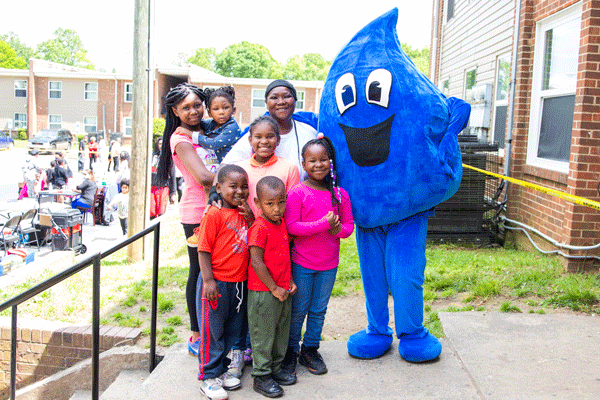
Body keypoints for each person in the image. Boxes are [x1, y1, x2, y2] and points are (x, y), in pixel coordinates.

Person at [281, 135, 354, 378]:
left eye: (324, 159)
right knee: (299, 308)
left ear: (331, 162)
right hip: (302, 263)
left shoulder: (340, 195)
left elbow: (348, 228)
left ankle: (310, 348)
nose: (319, 164)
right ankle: (290, 350)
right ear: (304, 164)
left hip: (328, 264)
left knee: (319, 309)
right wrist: (322, 224)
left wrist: (336, 229)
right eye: (312, 160)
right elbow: (292, 227)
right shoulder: (297, 193)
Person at [155, 83, 216, 358]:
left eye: (197, 105)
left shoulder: (207, 130)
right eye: (186, 107)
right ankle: (197, 333)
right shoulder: (180, 139)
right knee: (200, 272)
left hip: (218, 208)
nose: (193, 111)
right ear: (175, 111)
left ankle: (216, 327)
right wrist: (243, 179)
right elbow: (204, 177)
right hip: (196, 213)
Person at [195, 164, 253, 400]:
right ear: (218, 188)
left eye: (244, 186)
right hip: (216, 284)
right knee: (213, 332)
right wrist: (208, 281)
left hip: (239, 284)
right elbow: (203, 249)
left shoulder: (244, 213)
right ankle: (208, 376)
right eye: (233, 186)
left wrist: (250, 217)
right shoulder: (214, 214)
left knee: (232, 330)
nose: (239, 191)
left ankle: (222, 369)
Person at [247, 176, 298, 398]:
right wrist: (274, 288)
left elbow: (284, 255)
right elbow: (256, 261)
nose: (277, 209)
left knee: (280, 332)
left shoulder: (282, 222)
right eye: (270, 203)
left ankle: (276, 369)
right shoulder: (259, 228)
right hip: (264, 291)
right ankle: (261, 375)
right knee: (263, 334)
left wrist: (289, 282)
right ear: (257, 203)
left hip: (283, 289)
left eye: (281, 202)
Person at [220, 80, 318, 181]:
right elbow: (226, 167)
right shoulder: (255, 135)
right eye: (274, 97)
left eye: (286, 96)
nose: (281, 102)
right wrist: (214, 192)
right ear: (266, 104)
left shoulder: (309, 132)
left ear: (295, 100)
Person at [234, 115, 300, 219]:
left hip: (276, 231)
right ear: (250, 140)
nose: (264, 141)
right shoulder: (240, 169)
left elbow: (292, 207)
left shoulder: (289, 168)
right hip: (244, 230)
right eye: (258, 137)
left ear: (278, 140)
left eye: (270, 136)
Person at [175, 86, 241, 163]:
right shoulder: (212, 123)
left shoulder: (232, 127)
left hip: (230, 167)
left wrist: (190, 134)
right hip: (215, 164)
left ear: (233, 110)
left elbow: (214, 143)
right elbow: (199, 121)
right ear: (209, 113)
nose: (221, 112)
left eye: (225, 107)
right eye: (216, 109)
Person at [150, 137, 176, 219]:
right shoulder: (151, 156)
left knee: (161, 212)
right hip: (151, 188)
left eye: (163, 144)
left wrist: (173, 193)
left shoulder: (168, 158)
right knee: (151, 212)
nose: (161, 146)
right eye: (160, 143)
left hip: (163, 188)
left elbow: (172, 175)